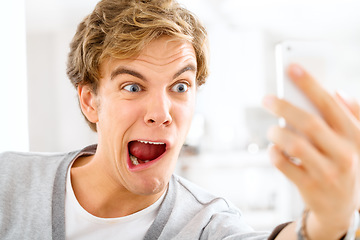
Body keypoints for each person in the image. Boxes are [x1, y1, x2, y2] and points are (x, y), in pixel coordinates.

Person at [0, 0, 359, 239]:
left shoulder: (207, 224)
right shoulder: (8, 183)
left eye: (180, 86)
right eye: (133, 86)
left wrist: (328, 222)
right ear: (90, 101)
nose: (161, 113)